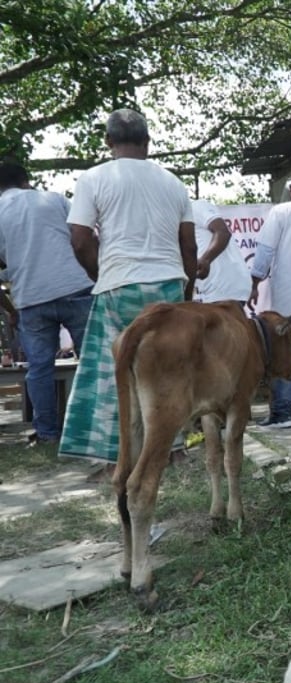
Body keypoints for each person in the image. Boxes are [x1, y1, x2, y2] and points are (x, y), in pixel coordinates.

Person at [59, 109, 197, 464]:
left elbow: (79, 239)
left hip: (119, 284)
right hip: (168, 284)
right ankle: (173, 448)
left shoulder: (94, 178)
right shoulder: (173, 182)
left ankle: (115, 456)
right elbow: (189, 247)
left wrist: (100, 273)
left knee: (114, 373)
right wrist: (187, 294)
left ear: (108, 142)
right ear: (147, 142)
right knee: (168, 369)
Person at [0, 162, 94, 445]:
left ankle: (47, 433)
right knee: (91, 360)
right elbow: (82, 237)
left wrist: (10, 309)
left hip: (31, 297)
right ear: (26, 181)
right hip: (76, 286)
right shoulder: (54, 199)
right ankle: (92, 429)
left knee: (39, 368)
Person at [249, 173, 291, 428]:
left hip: (289, 295)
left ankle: (283, 413)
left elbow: (265, 250)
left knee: (285, 350)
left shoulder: (282, 212)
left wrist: (254, 282)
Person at [192, 199, 251, 305]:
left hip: (223, 290)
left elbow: (222, 231)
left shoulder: (196, 207)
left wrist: (206, 259)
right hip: (210, 292)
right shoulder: (177, 223)